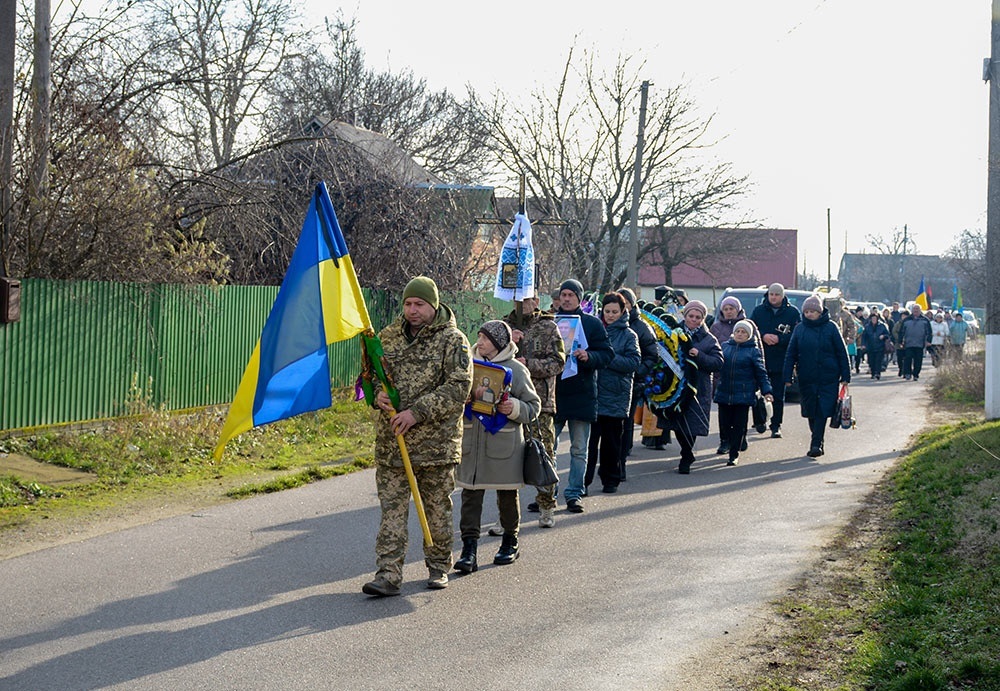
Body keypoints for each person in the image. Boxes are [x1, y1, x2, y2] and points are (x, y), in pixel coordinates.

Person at [364, 276, 474, 597]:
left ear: (433, 305)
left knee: (437, 509)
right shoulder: (387, 337)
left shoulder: (453, 341)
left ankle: (438, 566)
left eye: (419, 304)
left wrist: (417, 413)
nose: (412, 310)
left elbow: (458, 388)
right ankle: (388, 573)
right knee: (392, 513)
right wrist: (377, 396)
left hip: (435, 446)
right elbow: (370, 376)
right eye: (408, 304)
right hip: (393, 445)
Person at [454, 320, 541, 575]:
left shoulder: (516, 369)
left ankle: (510, 541)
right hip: (472, 441)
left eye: (485, 338)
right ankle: (468, 550)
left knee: (507, 495)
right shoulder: (467, 366)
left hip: (504, 442)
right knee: (470, 496)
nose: (479, 342)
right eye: (479, 336)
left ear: (499, 342)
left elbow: (533, 407)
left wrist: (512, 407)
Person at [502, 295, 565, 529]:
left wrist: (527, 363)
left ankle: (547, 506)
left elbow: (558, 362)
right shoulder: (503, 326)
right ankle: (507, 517)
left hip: (540, 403)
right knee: (507, 460)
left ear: (536, 300)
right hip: (506, 402)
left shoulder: (548, 327)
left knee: (543, 454)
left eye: (527, 299)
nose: (522, 303)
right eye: (517, 299)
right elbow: (486, 357)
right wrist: (509, 343)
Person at [553, 279, 614, 513]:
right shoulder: (550, 323)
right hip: (554, 394)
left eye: (571, 295)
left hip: (582, 393)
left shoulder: (591, 324)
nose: (566, 299)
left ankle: (574, 493)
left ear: (579, 298)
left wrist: (590, 357)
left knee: (579, 449)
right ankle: (548, 494)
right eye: (563, 294)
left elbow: (607, 354)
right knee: (549, 447)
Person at [782, 295, 851, 458]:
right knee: (810, 410)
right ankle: (818, 438)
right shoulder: (800, 329)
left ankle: (815, 443)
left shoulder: (831, 327)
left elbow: (842, 352)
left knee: (823, 409)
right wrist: (787, 376)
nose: (809, 314)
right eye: (806, 311)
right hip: (807, 376)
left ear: (820, 312)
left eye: (813, 311)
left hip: (828, 376)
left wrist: (845, 375)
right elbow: (791, 354)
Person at [585, 292, 640, 494]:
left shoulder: (629, 335)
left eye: (614, 311)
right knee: (589, 444)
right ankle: (584, 480)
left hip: (616, 395)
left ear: (622, 311)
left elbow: (634, 362)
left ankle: (611, 479)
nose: (610, 315)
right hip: (593, 393)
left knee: (612, 443)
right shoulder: (594, 330)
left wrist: (607, 358)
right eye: (607, 311)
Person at [663, 300, 723, 474]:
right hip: (676, 386)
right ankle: (686, 451)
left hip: (698, 388)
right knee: (678, 422)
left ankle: (687, 455)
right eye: (691, 316)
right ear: (685, 315)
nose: (694, 320)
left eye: (698, 317)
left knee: (692, 423)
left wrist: (699, 356)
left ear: (703, 319)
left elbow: (718, 362)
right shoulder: (673, 333)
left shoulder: (709, 339)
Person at [713, 319, 773, 466]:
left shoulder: (753, 351)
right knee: (724, 423)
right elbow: (716, 366)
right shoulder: (725, 347)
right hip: (724, 392)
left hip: (744, 395)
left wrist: (767, 391)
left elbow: (761, 373)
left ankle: (734, 454)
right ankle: (724, 442)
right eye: (738, 331)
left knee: (739, 425)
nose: (740, 334)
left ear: (749, 335)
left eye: (744, 332)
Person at [750, 283, 801, 439]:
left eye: (777, 295)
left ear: (782, 296)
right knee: (757, 394)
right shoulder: (759, 311)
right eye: (771, 294)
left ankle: (776, 425)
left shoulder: (792, 313)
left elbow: (797, 335)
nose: (773, 297)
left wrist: (780, 338)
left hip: (781, 360)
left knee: (778, 395)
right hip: (760, 359)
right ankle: (759, 421)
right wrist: (764, 336)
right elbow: (751, 329)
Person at [617, 287, 658, 480]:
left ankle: (621, 462)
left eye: (625, 303)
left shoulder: (641, 327)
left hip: (632, 382)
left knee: (625, 423)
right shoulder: (605, 323)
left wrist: (637, 373)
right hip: (606, 383)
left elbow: (652, 355)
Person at [710, 295, 749, 454]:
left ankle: (740, 437)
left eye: (731, 309)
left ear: (738, 309)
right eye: (725, 309)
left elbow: (757, 350)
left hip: (743, 378)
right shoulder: (716, 327)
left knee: (740, 412)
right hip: (722, 377)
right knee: (724, 413)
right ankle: (724, 441)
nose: (728, 312)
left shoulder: (747, 325)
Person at [899, 304, 932, 381]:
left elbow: (929, 332)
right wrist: (900, 341)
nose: (916, 311)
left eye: (917, 309)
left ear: (920, 310)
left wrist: (928, 341)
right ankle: (908, 373)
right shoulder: (906, 320)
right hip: (909, 343)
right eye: (914, 309)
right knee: (908, 359)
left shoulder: (925, 320)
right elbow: (901, 332)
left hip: (920, 344)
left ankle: (916, 374)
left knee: (918, 360)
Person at [859, 311, 891, 380]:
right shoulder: (867, 327)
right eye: (872, 318)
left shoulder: (882, 326)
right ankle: (873, 373)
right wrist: (863, 344)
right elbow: (864, 336)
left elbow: (888, 335)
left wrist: (883, 336)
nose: (874, 320)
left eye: (875, 318)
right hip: (870, 347)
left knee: (878, 361)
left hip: (880, 346)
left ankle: (877, 373)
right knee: (871, 361)